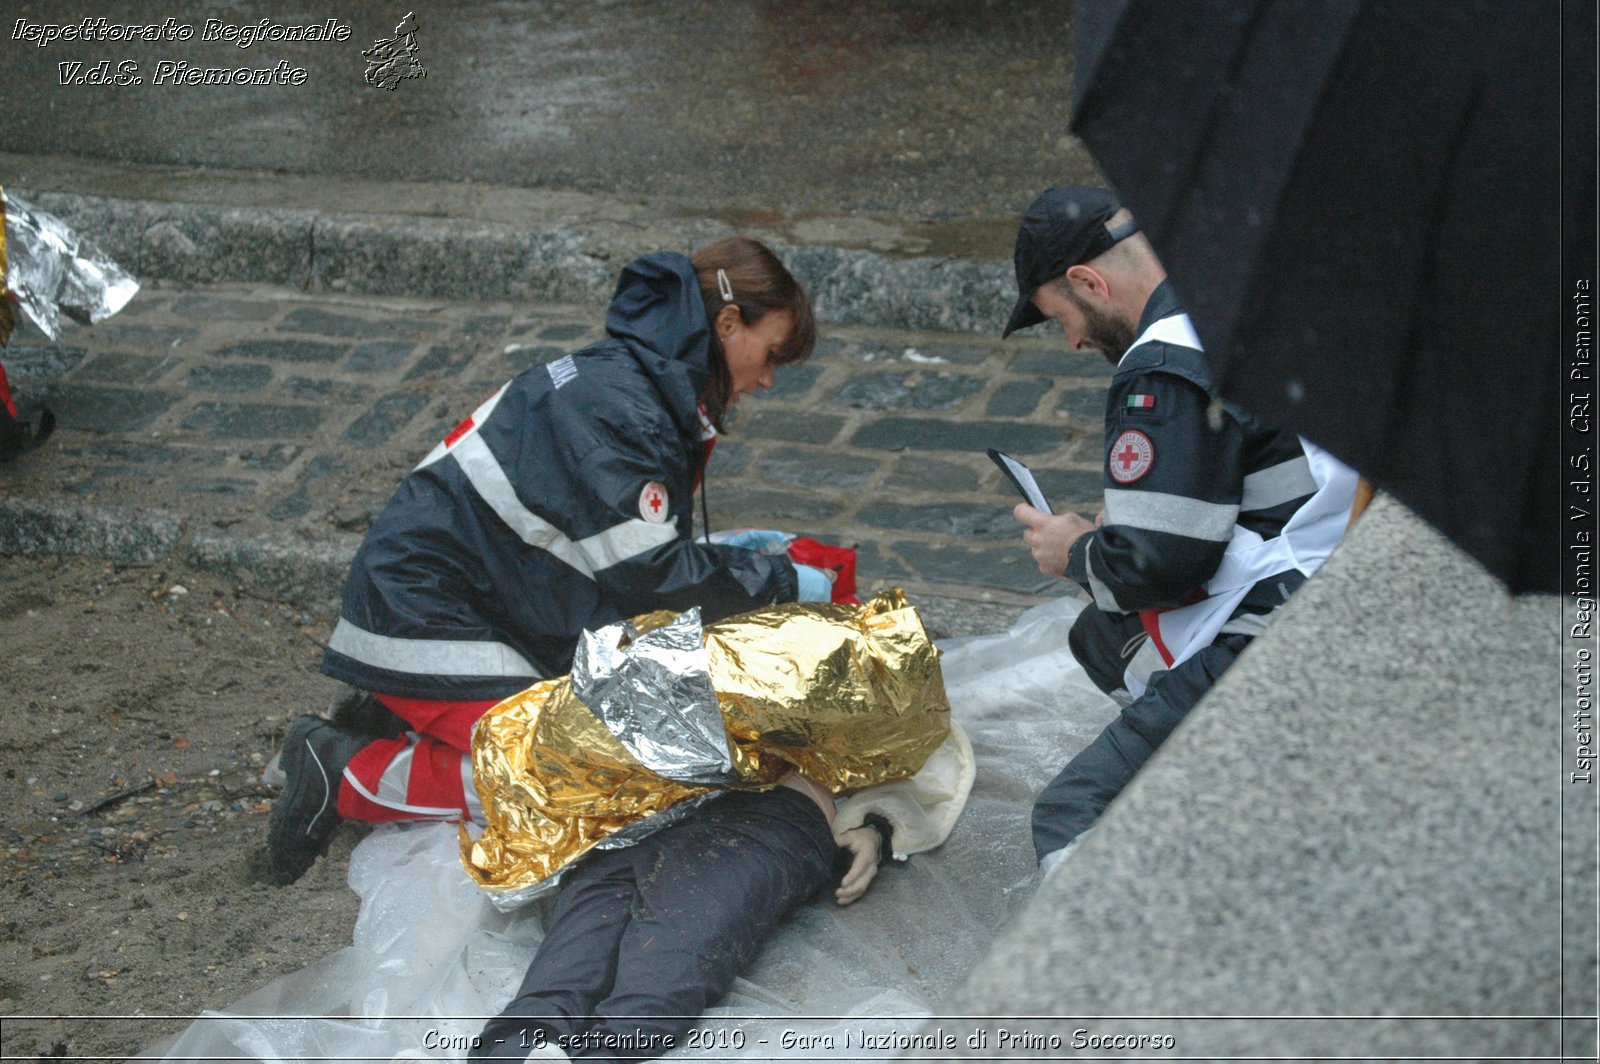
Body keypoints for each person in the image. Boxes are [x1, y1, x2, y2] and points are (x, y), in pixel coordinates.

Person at [268, 236, 842, 886]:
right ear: (729, 324)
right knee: (581, 780)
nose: (765, 380)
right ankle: (344, 773)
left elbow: (627, 552)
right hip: (426, 618)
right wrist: (781, 583)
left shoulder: (634, 384)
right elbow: (651, 577)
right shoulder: (630, 411)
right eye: (769, 356)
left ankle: (403, 728)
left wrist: (739, 572)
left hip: (458, 600)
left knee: (618, 743)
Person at [1001, 186, 1357, 872]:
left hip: (1284, 622)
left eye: (1063, 318)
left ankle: (1117, 960)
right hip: (1335, 559)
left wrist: (1074, 548)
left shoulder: (1162, 366)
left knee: (1073, 814)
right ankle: (1205, 760)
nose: (1073, 341)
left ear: (1088, 281)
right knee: (1101, 638)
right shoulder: (1243, 294)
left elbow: (1160, 565)